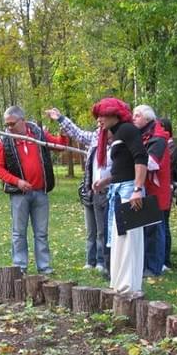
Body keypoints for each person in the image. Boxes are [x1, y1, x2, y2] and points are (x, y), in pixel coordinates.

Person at [0, 105, 69, 274]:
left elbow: (60, 145)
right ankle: (20, 267)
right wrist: (17, 181)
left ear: (23, 121)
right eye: (7, 125)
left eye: (12, 124)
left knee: (41, 233)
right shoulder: (3, 141)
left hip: (40, 193)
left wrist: (63, 131)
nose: (9, 128)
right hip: (19, 195)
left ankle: (44, 267)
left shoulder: (38, 134)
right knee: (19, 233)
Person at [91, 98, 148, 294]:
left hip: (129, 194)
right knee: (119, 239)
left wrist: (138, 189)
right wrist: (105, 181)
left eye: (103, 115)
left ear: (115, 114)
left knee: (127, 240)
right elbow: (122, 167)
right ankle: (121, 283)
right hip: (120, 191)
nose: (100, 120)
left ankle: (126, 287)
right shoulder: (118, 133)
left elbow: (141, 158)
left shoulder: (127, 130)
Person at [45, 108, 111, 275]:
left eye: (101, 120)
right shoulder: (96, 136)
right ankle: (90, 260)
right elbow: (77, 134)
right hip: (91, 190)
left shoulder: (118, 140)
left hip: (108, 192)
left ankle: (103, 262)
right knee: (91, 229)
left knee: (103, 230)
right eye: (97, 121)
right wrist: (60, 118)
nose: (98, 124)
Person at [132, 105, 171, 277]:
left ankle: (154, 267)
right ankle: (147, 264)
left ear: (147, 119)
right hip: (146, 188)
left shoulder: (158, 137)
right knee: (147, 229)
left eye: (137, 115)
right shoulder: (143, 135)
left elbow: (151, 162)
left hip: (156, 190)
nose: (133, 118)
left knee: (155, 230)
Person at [159, 117, 177, 270]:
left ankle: (165, 259)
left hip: (166, 190)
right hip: (160, 189)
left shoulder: (171, 148)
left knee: (163, 225)